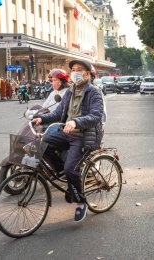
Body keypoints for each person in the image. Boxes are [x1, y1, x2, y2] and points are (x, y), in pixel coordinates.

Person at [32, 59, 104, 223]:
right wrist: (40, 119)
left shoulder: (94, 92)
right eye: (73, 69)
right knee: (42, 144)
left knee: (71, 168)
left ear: (86, 73)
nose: (75, 72)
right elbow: (57, 114)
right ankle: (66, 175)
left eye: (79, 69)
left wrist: (76, 122)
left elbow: (95, 115)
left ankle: (80, 202)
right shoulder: (70, 91)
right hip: (66, 132)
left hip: (83, 135)